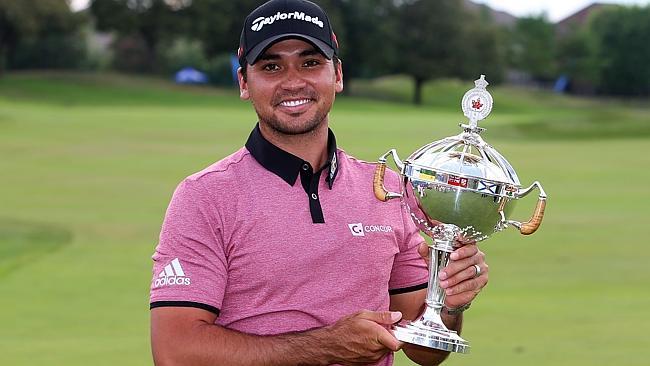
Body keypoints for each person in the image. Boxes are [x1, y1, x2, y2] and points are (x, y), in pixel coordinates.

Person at [149, 0, 488, 365]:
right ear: (244, 82)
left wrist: (449, 302)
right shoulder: (205, 196)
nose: (293, 81)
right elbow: (175, 352)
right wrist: (323, 346)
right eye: (271, 66)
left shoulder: (387, 188)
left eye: (310, 63)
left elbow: (426, 351)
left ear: (337, 75)